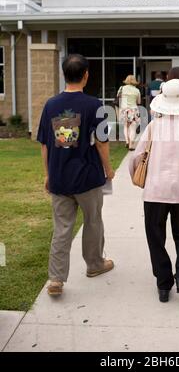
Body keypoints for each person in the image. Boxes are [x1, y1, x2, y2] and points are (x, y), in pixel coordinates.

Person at [37, 54, 115, 297]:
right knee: (93, 222)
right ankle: (95, 265)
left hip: (60, 177)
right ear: (86, 75)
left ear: (63, 75)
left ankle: (56, 280)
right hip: (87, 178)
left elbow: (46, 145)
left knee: (62, 228)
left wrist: (48, 174)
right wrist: (109, 170)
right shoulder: (95, 105)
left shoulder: (51, 104)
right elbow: (101, 143)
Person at [129, 79, 179, 303]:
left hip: (155, 191)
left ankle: (164, 285)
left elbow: (137, 156)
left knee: (156, 237)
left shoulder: (154, 126)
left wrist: (137, 178)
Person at [117, 75, 141, 150]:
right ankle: (131, 145)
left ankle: (127, 141)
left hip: (124, 109)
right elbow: (139, 102)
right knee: (133, 128)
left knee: (125, 126)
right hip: (133, 110)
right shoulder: (137, 90)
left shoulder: (122, 88)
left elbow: (118, 97)